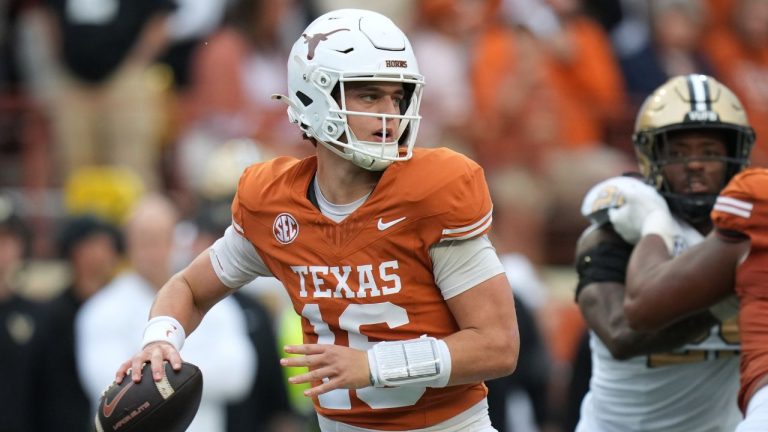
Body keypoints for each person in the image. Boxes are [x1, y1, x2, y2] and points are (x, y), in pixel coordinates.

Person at [115, 8, 520, 432]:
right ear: (314, 98)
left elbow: (497, 346)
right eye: (369, 96)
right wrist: (161, 340)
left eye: (396, 97)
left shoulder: (431, 194)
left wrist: (374, 364)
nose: (390, 115)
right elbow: (190, 289)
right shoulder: (276, 207)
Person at [572, 73, 754, 431]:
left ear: (735, 156)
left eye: (710, 152)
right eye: (678, 152)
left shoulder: (752, 233)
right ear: (651, 157)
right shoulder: (619, 230)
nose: (695, 164)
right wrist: (724, 298)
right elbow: (621, 335)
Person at [77, 194, 256, 432]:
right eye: (144, 240)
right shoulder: (101, 309)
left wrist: (156, 372)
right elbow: (109, 386)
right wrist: (185, 374)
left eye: (161, 238)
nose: (153, 250)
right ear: (128, 244)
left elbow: (238, 377)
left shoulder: (215, 302)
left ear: (175, 239)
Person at [622, 167, 766, 431]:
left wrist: (654, 223)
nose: (695, 165)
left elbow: (642, 305)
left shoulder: (758, 198)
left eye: (710, 151)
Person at [31, 215, 124, 432]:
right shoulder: (52, 316)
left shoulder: (125, 308)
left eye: (106, 247)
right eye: (90, 246)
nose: (99, 255)